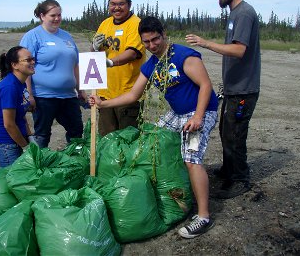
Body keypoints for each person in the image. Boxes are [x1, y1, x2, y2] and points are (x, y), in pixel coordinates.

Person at [89, 16, 219, 239]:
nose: (152, 46)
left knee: (191, 158)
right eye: (146, 42)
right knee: (151, 139)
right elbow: (133, 94)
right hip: (177, 114)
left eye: (155, 40)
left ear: (164, 34)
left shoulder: (183, 55)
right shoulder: (151, 64)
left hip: (202, 111)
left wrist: (198, 116)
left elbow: (206, 85)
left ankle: (203, 216)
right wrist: (103, 103)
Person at [185, 0, 261, 199]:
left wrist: (205, 43)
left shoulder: (244, 13)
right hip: (233, 88)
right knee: (226, 130)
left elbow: (239, 50)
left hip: (244, 89)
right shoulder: (234, 13)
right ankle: (229, 170)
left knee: (235, 134)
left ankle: (240, 179)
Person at [20, 0, 86, 148]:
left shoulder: (67, 36)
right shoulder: (33, 36)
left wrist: (80, 90)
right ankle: (39, 166)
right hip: (43, 97)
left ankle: (75, 163)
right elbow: (25, 67)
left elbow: (75, 64)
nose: (57, 18)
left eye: (59, 15)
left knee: (76, 131)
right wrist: (29, 95)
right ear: (42, 16)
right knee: (42, 135)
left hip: (68, 96)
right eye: (53, 15)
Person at [91, 0, 146, 137]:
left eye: (121, 3)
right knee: (107, 138)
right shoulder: (105, 24)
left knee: (128, 139)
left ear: (129, 4)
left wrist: (110, 62)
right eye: (113, 4)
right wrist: (94, 47)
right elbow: (94, 53)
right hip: (105, 93)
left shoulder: (136, 24)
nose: (117, 7)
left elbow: (132, 53)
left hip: (128, 94)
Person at [0, 46, 35, 167]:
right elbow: (9, 124)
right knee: (12, 182)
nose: (33, 62)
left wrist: (30, 137)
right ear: (14, 65)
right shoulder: (9, 87)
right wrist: (25, 147)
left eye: (33, 59)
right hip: (6, 144)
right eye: (28, 60)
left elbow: (21, 116)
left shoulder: (21, 84)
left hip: (17, 140)